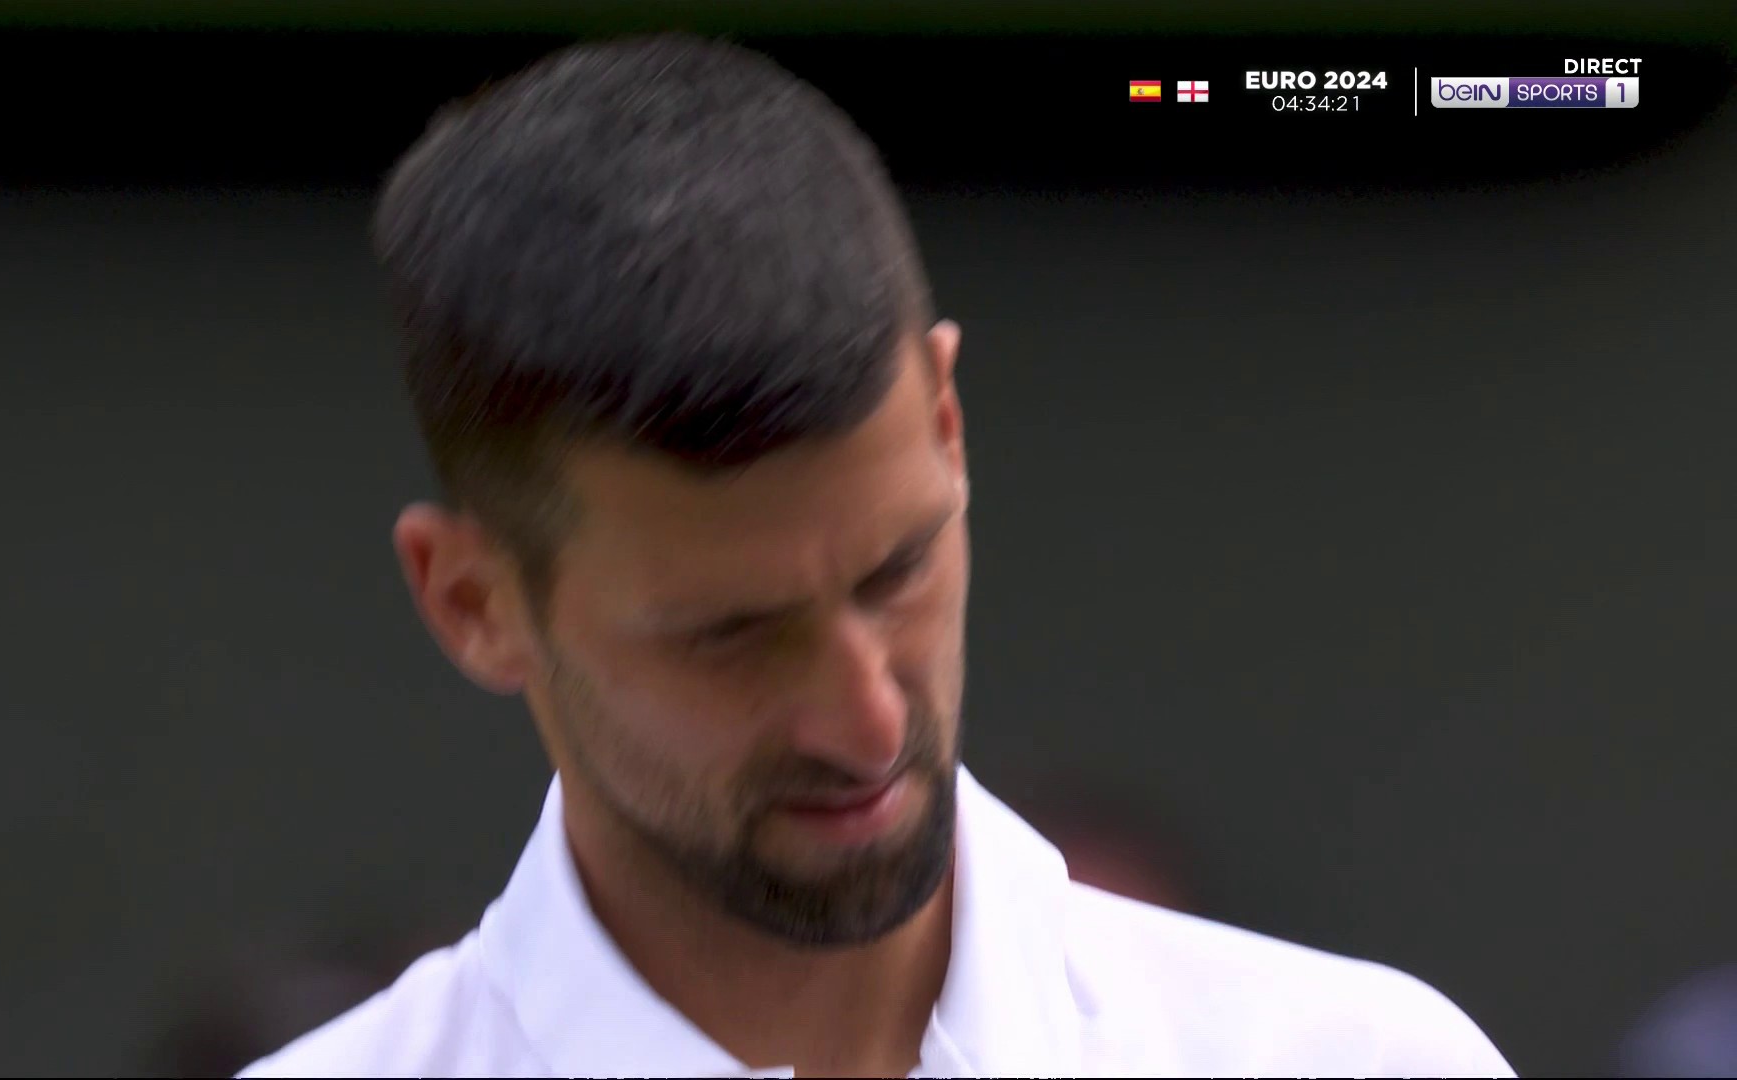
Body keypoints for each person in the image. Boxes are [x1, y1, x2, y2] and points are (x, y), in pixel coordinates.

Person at [238, 32, 1515, 1079]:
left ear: (949, 423)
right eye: (730, 634)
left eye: (898, 569)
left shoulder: (1361, 1063)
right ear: (472, 602)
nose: (866, 720)